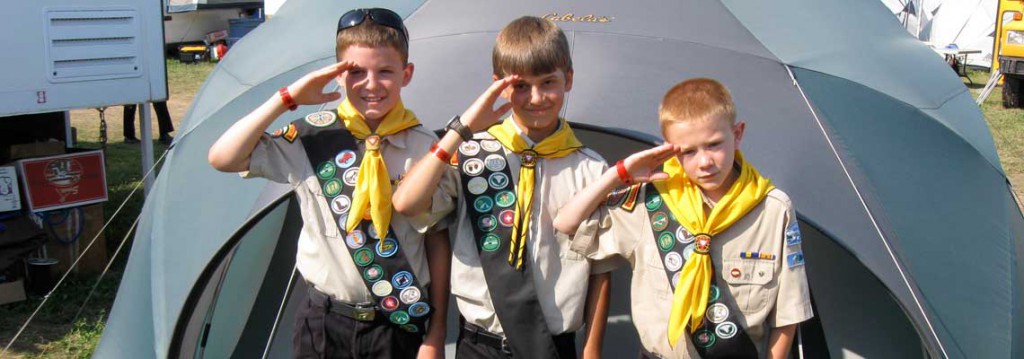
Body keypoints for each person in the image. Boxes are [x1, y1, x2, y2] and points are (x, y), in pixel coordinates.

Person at [207, 8, 450, 358]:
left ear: (406, 74)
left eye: (385, 71)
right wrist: (286, 98)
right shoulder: (311, 138)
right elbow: (223, 158)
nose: (371, 84)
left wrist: (436, 334)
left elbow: (436, 239)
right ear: (337, 75)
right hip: (323, 321)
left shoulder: (426, 148)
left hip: (397, 322)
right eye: (355, 72)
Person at [393, 16, 612, 359]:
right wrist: (462, 128)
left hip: (552, 345)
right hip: (480, 345)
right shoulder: (473, 153)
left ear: (568, 79)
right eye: (521, 85)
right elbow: (407, 204)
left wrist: (592, 350)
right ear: (499, 85)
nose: (536, 97)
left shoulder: (592, 168)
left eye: (548, 82)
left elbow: (600, 267)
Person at [552, 78, 813, 358]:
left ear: (737, 134)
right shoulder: (650, 202)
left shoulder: (772, 210)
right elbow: (567, 223)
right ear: (670, 150)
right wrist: (621, 173)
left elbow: (788, 313)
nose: (704, 162)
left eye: (714, 145)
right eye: (688, 151)